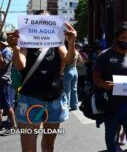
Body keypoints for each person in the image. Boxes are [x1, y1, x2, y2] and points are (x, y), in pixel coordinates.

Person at [7, 10, 77, 151]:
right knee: (29, 149)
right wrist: (15, 48)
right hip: (30, 100)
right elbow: (20, 66)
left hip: (54, 101)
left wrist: (72, 42)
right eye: (39, 20)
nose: (43, 24)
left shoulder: (57, 41)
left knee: (49, 145)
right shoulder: (25, 41)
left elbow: (69, 60)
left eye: (48, 21)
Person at [93, 21, 127, 152]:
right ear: (116, 38)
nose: (126, 40)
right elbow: (96, 77)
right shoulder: (104, 55)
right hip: (111, 105)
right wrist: (104, 84)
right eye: (123, 37)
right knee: (111, 139)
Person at [0, 32, 17, 135]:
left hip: (5, 81)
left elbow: (2, 65)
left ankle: (13, 125)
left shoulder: (6, 51)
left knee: (7, 105)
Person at [64, 42, 79, 110]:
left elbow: (64, 62)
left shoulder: (67, 51)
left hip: (68, 70)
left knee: (67, 90)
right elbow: (81, 60)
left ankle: (67, 106)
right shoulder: (76, 51)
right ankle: (75, 105)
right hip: (75, 70)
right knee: (74, 89)